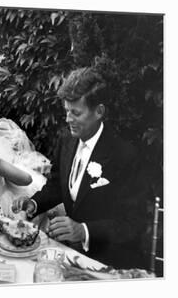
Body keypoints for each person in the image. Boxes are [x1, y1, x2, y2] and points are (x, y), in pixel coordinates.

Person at [13, 67, 148, 270]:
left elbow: (133, 224)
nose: (68, 119)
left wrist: (83, 230)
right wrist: (33, 204)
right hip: (73, 254)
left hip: (112, 261)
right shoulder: (66, 140)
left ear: (99, 112)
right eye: (66, 111)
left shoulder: (125, 156)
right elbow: (58, 184)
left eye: (76, 113)